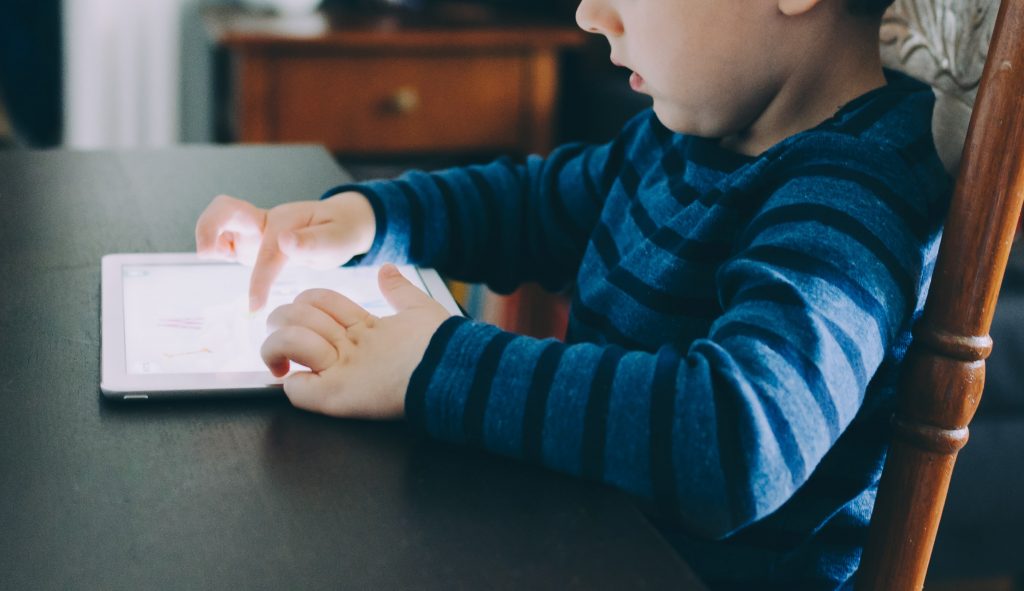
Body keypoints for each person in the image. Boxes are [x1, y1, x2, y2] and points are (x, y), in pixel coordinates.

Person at [195, 0, 952, 587]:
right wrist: (368, 217)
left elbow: (736, 438)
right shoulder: (685, 138)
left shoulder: (853, 196)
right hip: (588, 541)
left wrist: (435, 360)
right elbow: (531, 206)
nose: (591, 14)